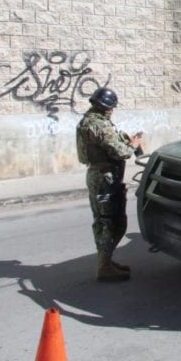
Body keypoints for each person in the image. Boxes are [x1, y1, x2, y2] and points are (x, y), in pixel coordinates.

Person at [76, 87, 142, 282]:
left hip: (96, 175)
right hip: (105, 179)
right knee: (113, 222)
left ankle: (105, 261)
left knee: (101, 220)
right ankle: (104, 267)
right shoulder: (100, 125)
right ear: (107, 106)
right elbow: (121, 152)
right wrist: (133, 145)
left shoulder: (87, 121)